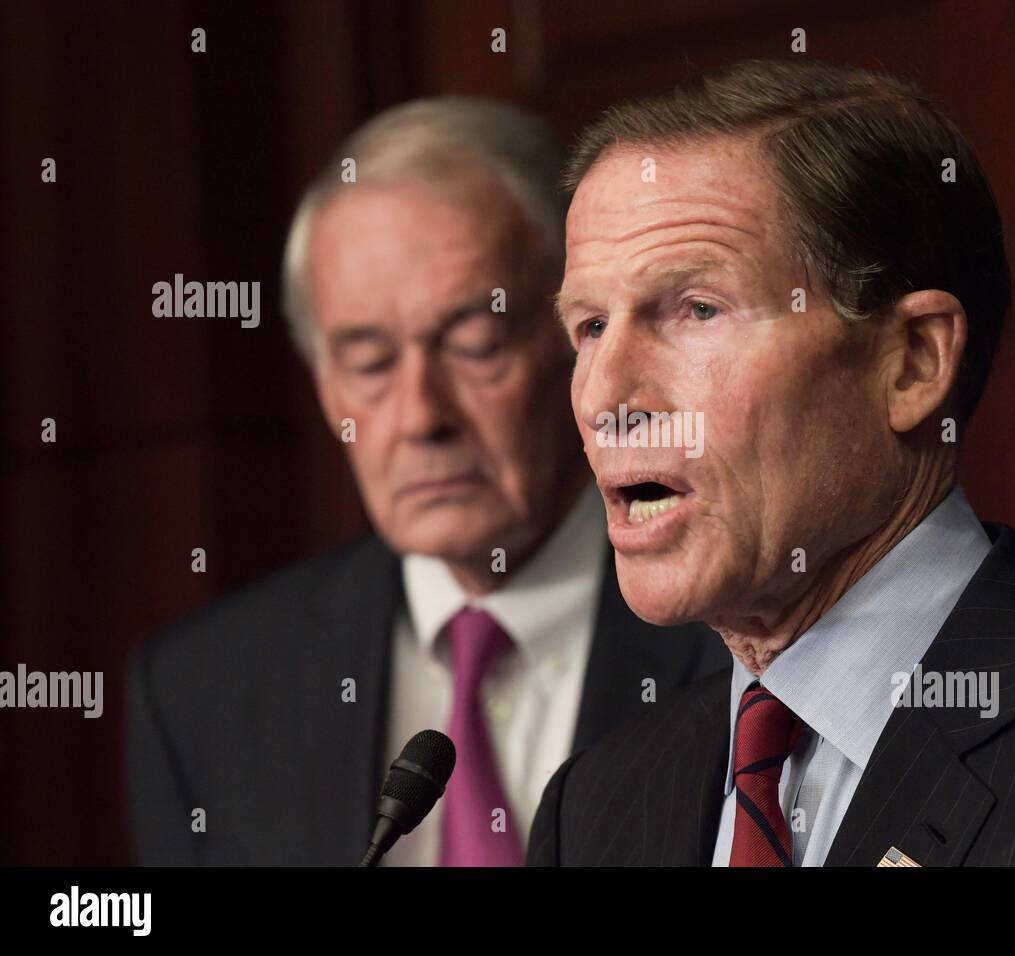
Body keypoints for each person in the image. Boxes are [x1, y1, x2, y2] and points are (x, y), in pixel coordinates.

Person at [530, 57, 1015, 866]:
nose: (605, 396)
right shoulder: (593, 810)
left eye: (697, 310)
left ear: (912, 363)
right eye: (588, 327)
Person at [127, 98, 727, 866]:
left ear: (579, 342)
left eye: (475, 344)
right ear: (323, 384)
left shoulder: (736, 626)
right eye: (369, 362)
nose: (420, 416)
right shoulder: (203, 694)